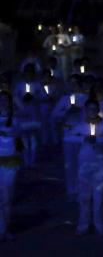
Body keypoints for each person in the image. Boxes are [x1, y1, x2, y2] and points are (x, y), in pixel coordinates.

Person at [65, 98, 103, 236]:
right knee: (84, 196)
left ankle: (100, 226)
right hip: (84, 163)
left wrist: (100, 139)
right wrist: (83, 139)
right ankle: (83, 226)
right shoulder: (81, 125)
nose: (92, 111)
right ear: (85, 110)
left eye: (95, 109)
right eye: (90, 109)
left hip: (99, 164)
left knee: (99, 196)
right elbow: (67, 137)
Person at [0, 92, 22, 241]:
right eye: (0, 100)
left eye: (6, 100)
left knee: (7, 197)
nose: (3, 103)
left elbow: (18, 136)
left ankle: (4, 229)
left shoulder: (15, 120)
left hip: (10, 162)